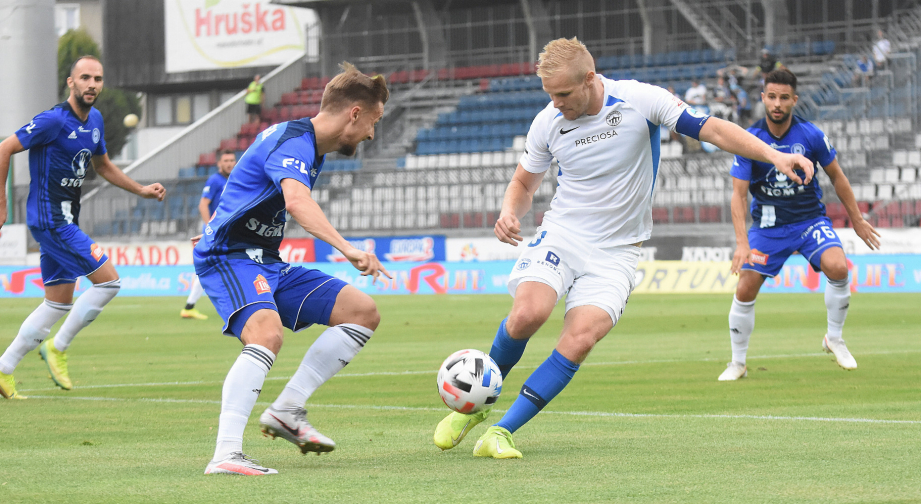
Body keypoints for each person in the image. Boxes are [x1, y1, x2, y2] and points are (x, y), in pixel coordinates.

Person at [432, 37, 814, 459]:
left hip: (618, 251)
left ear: (590, 80)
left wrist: (774, 155)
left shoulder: (639, 99)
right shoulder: (547, 121)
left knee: (580, 339)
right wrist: (510, 210)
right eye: (549, 95)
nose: (555, 104)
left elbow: (712, 129)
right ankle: (474, 406)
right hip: (563, 234)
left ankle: (502, 431)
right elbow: (524, 183)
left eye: (562, 94)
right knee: (527, 314)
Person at [197, 62, 390, 475]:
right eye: (373, 121)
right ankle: (226, 454)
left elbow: (249, 192)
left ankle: (287, 410)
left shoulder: (309, 148)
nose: (372, 134)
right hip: (228, 256)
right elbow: (298, 204)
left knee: (362, 312)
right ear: (354, 113)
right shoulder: (295, 142)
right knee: (266, 332)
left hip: (264, 260)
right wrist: (348, 249)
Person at [0, 56, 165, 399]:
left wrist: (140, 189)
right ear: (71, 83)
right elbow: (2, 150)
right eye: (85, 78)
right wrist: (0, 203)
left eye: (97, 78)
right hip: (52, 220)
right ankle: (58, 347)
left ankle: (2, 371)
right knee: (109, 281)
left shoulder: (94, 120)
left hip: (65, 218)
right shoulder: (52, 121)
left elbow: (103, 165)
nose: (92, 84)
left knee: (58, 302)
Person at [719, 69, 881, 381]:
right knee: (745, 287)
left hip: (809, 221)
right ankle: (737, 363)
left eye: (784, 97)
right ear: (763, 98)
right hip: (768, 228)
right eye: (771, 96)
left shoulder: (811, 136)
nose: (777, 103)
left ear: (794, 100)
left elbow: (838, 177)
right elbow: (738, 195)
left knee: (839, 267)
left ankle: (834, 338)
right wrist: (742, 242)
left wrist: (857, 220)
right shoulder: (750, 141)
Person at [180, 149, 236, 320]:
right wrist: (209, 227)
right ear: (219, 163)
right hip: (218, 233)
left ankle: (190, 307)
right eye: (226, 160)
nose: (229, 163)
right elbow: (203, 205)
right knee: (216, 268)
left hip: (229, 231)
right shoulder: (215, 180)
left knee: (213, 268)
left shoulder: (234, 180)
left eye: (232, 160)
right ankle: (190, 306)